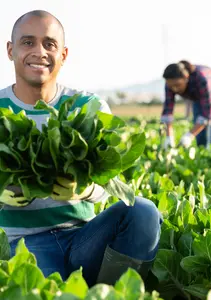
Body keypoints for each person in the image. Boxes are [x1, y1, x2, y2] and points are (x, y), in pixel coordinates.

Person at [0, 10, 162, 287]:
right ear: (11, 50)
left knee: (143, 212)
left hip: (84, 236)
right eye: (28, 42)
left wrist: (87, 189)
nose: (39, 51)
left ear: (63, 55)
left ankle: (113, 292)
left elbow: (112, 177)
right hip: (22, 242)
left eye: (49, 44)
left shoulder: (88, 106)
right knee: (59, 292)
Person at [161, 60, 211, 151]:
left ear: (186, 78)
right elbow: (168, 110)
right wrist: (169, 136)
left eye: (178, 85)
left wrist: (189, 135)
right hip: (199, 100)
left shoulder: (201, 78)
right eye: (171, 86)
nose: (174, 89)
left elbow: (205, 116)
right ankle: (205, 162)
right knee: (200, 138)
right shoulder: (170, 84)